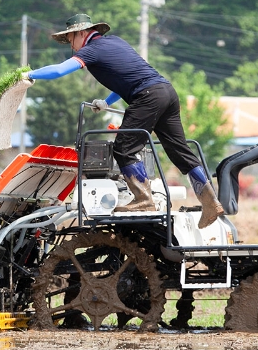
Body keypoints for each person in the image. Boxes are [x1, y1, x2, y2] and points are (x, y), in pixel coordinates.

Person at [26, 13, 223, 228]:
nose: (72, 47)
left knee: (123, 148)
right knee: (179, 150)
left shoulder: (90, 50)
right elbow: (129, 76)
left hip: (147, 96)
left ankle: (143, 200)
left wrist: (30, 74)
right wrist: (106, 101)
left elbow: (59, 70)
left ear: (81, 33)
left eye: (71, 40)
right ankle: (211, 202)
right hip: (166, 91)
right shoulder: (117, 42)